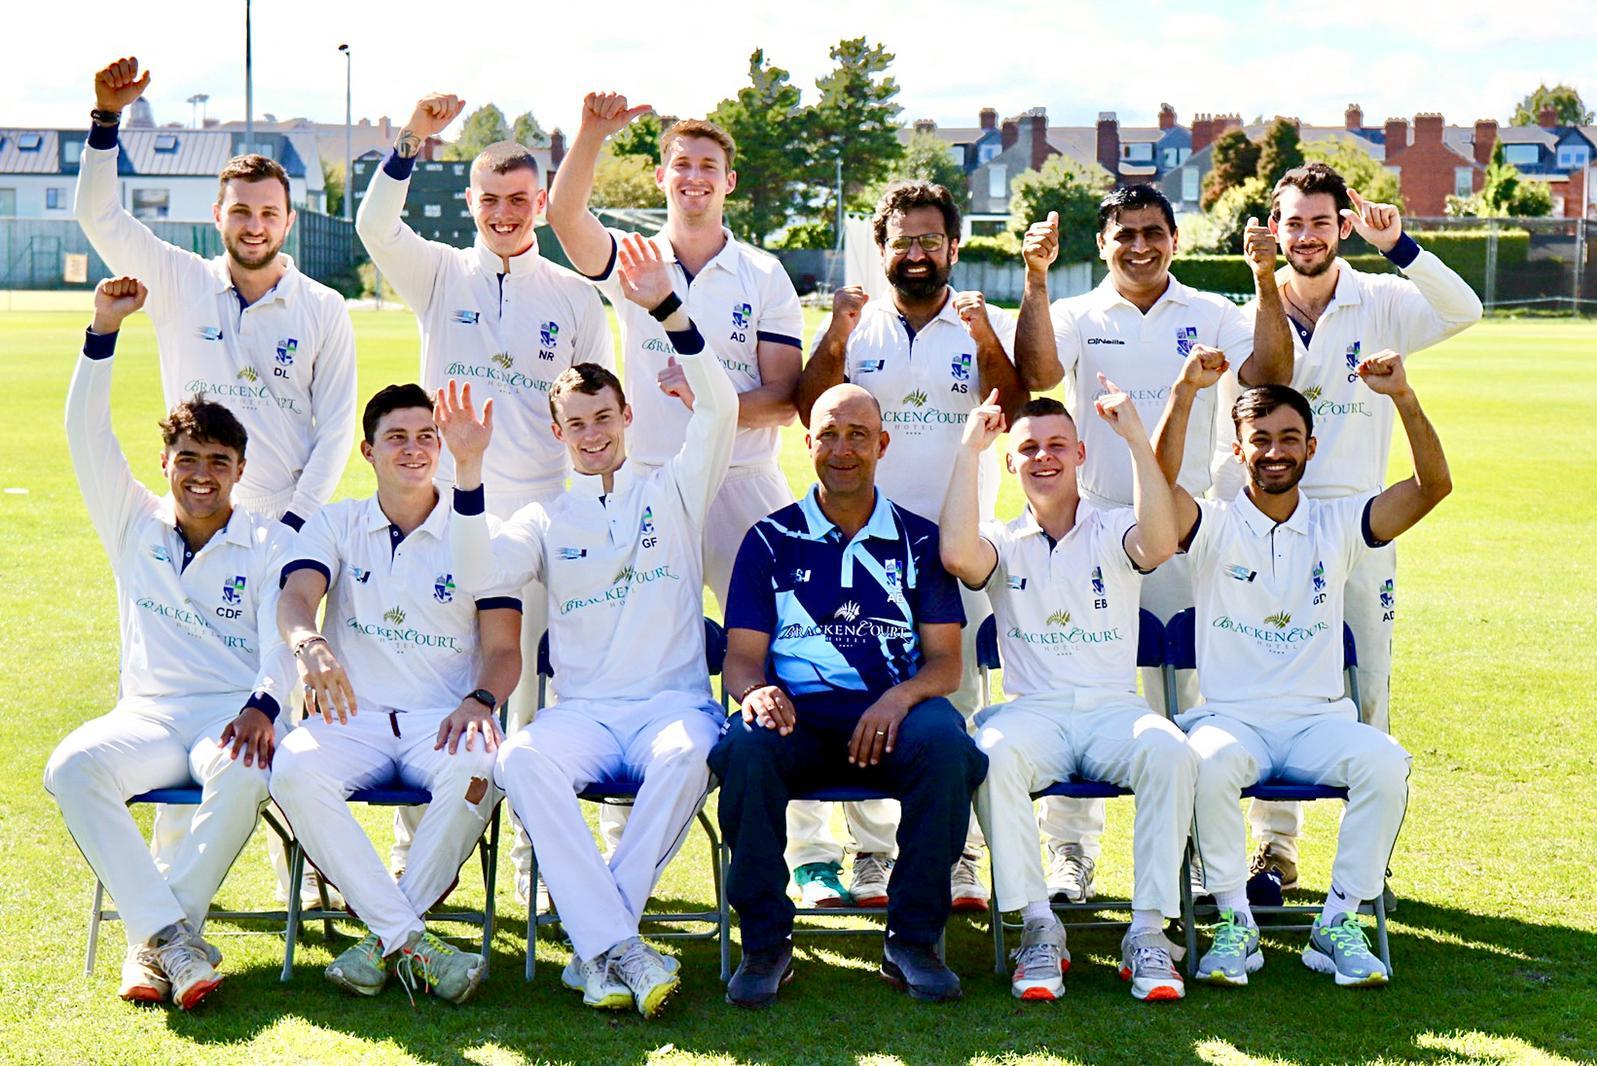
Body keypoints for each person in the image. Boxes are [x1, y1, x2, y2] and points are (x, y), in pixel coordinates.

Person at [78, 56, 358, 905]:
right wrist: (103, 120)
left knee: (287, 705)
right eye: (240, 211)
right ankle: (171, 880)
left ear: (287, 218)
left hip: (282, 532)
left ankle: (299, 874)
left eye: (269, 212)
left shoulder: (322, 308)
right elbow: (99, 211)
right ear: (219, 215)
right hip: (194, 526)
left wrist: (301, 527)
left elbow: (338, 424)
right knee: (180, 693)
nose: (254, 224)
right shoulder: (178, 279)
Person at [441, 233, 738, 1019]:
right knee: (524, 758)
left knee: (692, 754)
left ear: (627, 414)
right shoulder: (543, 517)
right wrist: (467, 474)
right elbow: (478, 575)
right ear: (557, 433)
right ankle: (619, 946)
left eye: (603, 415)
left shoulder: (673, 489)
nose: (592, 431)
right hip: (583, 714)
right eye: (575, 422)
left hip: (670, 705)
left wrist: (667, 308)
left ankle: (594, 946)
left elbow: (723, 405)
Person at [355, 91, 613, 902]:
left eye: (517, 200)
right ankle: (414, 856)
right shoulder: (440, 272)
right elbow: (373, 230)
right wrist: (408, 140)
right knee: (436, 682)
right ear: (470, 203)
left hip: (537, 515)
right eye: (489, 200)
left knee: (535, 689)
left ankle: (542, 862)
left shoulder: (573, 296)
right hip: (441, 511)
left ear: (540, 203)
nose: (503, 214)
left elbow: (589, 403)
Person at [545, 91, 804, 854]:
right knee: (624, 646)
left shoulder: (761, 271)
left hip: (744, 483)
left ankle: (813, 846)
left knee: (782, 650)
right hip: (647, 483)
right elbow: (564, 218)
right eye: (681, 165)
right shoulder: (634, 257)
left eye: (708, 167)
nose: (694, 177)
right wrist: (591, 131)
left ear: (729, 181)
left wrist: (712, 401)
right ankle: (619, 825)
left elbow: (785, 396)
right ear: (661, 176)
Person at [1152, 345, 1451, 987]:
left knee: (1385, 761)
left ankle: (1338, 922)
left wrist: (1403, 396)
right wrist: (1182, 392)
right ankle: (1236, 920)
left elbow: (1433, 487)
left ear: (1311, 449)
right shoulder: (1210, 525)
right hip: (1233, 720)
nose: (1275, 451)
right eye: (1260, 439)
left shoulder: (1340, 523)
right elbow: (1156, 488)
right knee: (1201, 760)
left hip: (1319, 721)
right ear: (1239, 451)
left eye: (1290, 437)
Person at [1010, 183, 1268, 906]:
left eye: (1152, 232)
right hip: (1092, 523)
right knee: (1082, 691)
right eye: (1124, 234)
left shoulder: (1213, 311)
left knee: (1196, 687)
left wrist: (1264, 279)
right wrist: (1034, 277)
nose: (1140, 246)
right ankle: (1070, 855)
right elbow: (1037, 376)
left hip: (1191, 524)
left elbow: (1268, 374)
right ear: (1102, 244)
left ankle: (1193, 853)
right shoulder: (1073, 312)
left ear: (1174, 239)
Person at [45, 277, 295, 1009]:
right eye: (188, 458)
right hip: (148, 716)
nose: (201, 475)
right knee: (71, 767)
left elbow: (281, 641)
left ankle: (150, 941)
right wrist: (102, 332)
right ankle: (173, 940)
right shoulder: (132, 521)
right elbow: (84, 434)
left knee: (246, 772)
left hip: (228, 712)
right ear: (167, 465)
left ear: (240, 472)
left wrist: (264, 705)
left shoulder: (268, 542)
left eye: (219, 461)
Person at [1234, 162, 1481, 893]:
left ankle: (1365, 855)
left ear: (1342, 226)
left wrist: (1399, 245)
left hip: (1363, 522)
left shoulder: (1379, 298)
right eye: (1292, 223)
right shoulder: (1250, 305)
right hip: (1271, 524)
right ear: (1272, 230)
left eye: (1320, 222)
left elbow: (1463, 310)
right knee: (1273, 682)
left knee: (1365, 683)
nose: (1305, 236)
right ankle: (1272, 852)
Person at [789, 180, 1027, 913]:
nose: (917, 253)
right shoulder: (857, 328)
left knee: (954, 699)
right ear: (882, 249)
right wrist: (833, 332)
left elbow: (1014, 407)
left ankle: (957, 856)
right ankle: (868, 857)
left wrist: (985, 336)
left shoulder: (977, 323)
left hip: (954, 548)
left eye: (930, 240)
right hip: (861, 544)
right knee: (857, 691)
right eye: (904, 241)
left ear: (953, 248)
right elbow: (808, 408)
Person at [711, 383, 987, 1008]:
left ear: (882, 444)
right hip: (797, 720)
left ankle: (913, 940)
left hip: (890, 719)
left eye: (857, 435)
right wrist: (755, 694)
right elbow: (742, 661)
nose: (842, 449)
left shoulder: (920, 541)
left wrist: (897, 700)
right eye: (829, 434)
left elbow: (946, 664)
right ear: (806, 442)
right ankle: (765, 943)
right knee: (745, 748)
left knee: (946, 745)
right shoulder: (768, 540)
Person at [269, 384, 524, 1005]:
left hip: (443, 718)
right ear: (368, 449)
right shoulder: (336, 520)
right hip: (351, 718)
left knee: (482, 764)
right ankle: (412, 938)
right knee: (293, 768)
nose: (414, 450)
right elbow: (297, 598)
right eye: (397, 438)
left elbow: (504, 651)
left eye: (426, 436)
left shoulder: (483, 532)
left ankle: (384, 939)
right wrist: (307, 643)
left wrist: (481, 702)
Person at [941, 386, 1192, 1002]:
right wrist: (969, 451)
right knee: (990, 753)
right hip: (1035, 714)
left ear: (1081, 453)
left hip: (1113, 710)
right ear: (1011, 463)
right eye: (1028, 448)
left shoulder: (1115, 528)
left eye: (1057, 445)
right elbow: (955, 554)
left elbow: (1161, 544)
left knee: (1169, 750)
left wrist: (1135, 436)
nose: (1043, 458)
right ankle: (1038, 927)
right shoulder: (1001, 539)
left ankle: (1150, 932)